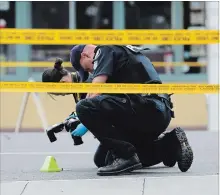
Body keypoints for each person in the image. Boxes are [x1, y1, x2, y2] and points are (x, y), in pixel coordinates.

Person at [68, 44, 194, 176]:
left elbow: (95, 92)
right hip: (157, 112)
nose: (90, 72)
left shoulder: (104, 50)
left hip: (145, 109)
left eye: (87, 68)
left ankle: (126, 156)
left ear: (85, 55)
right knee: (103, 159)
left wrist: (81, 117)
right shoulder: (123, 54)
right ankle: (170, 145)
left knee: (84, 107)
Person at [42, 58, 186, 171]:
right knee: (102, 160)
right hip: (132, 114)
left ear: (63, 83)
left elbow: (102, 104)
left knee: (116, 158)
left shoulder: (88, 81)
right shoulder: (80, 82)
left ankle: (168, 145)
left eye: (59, 93)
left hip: (133, 115)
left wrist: (84, 124)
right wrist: (69, 121)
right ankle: (168, 149)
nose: (61, 95)